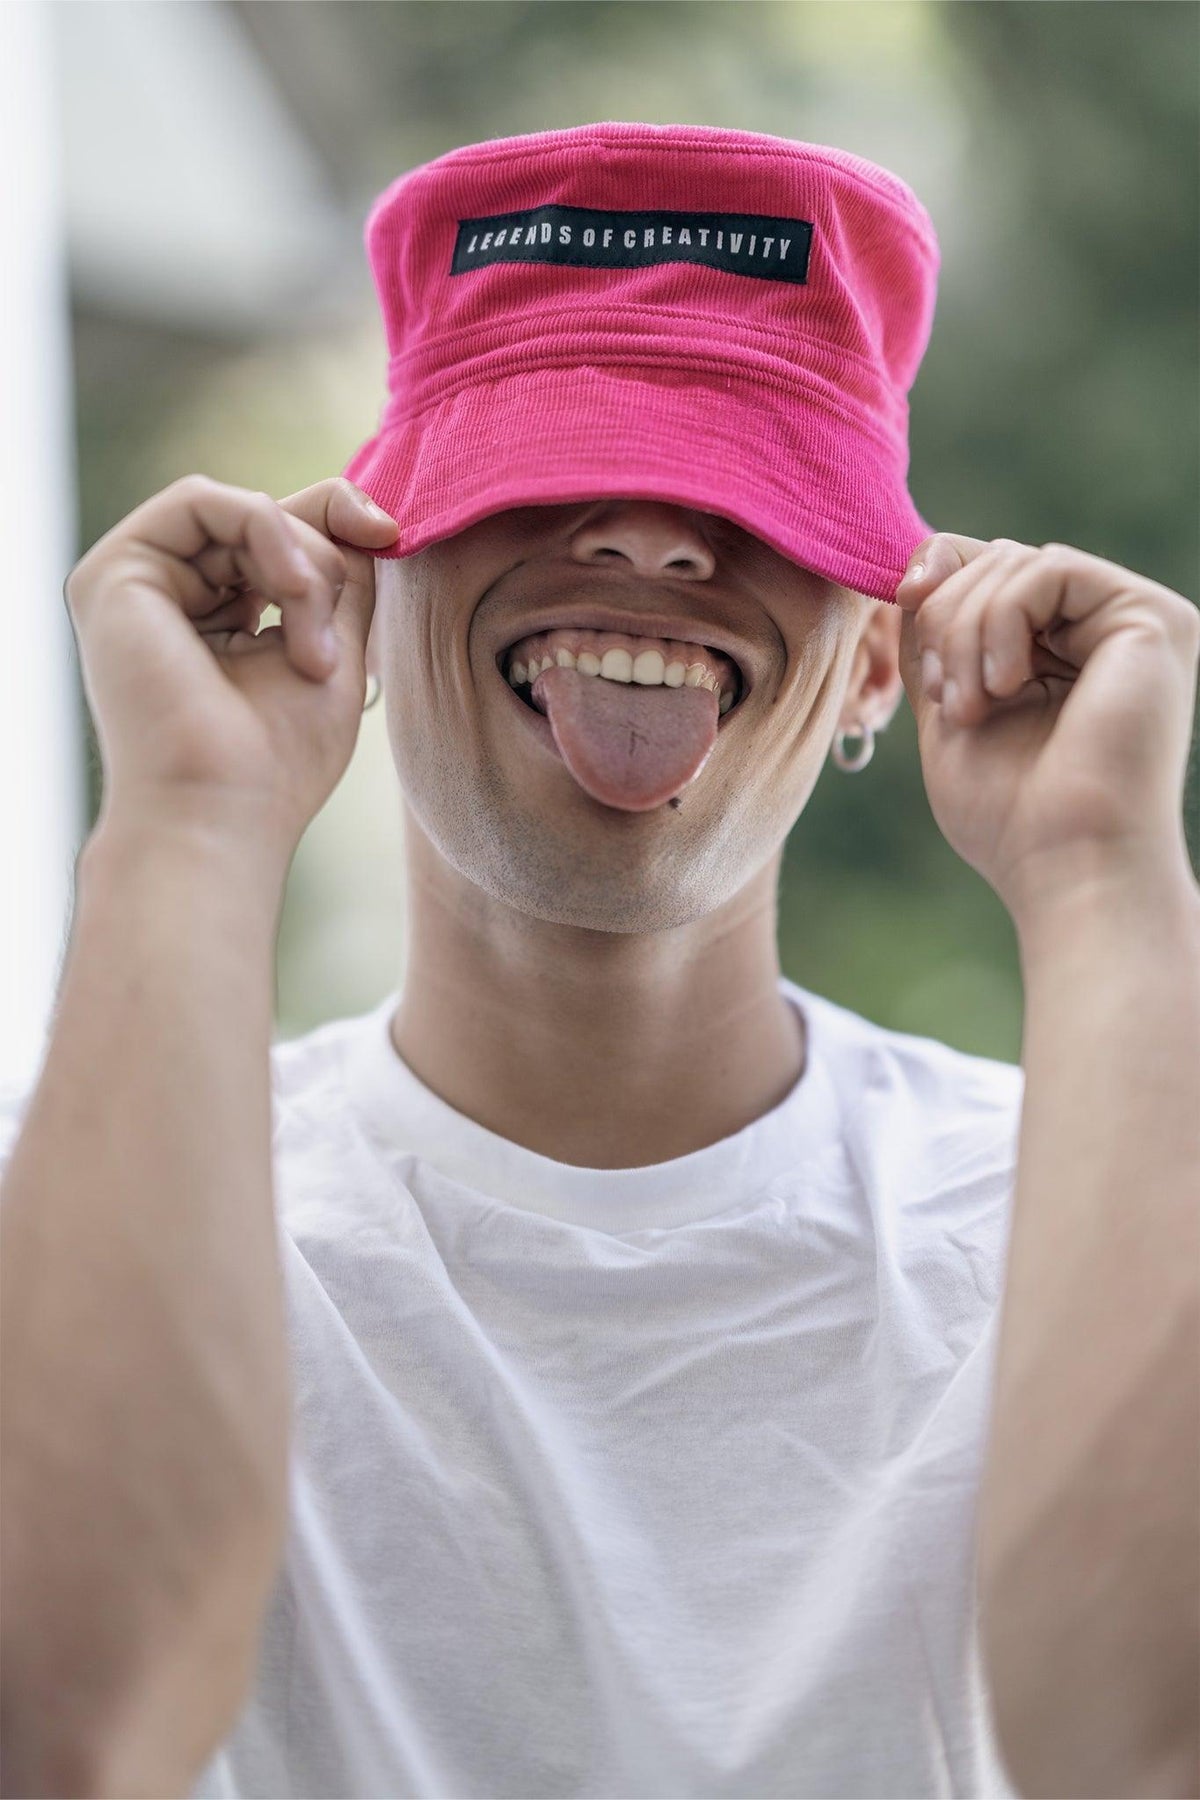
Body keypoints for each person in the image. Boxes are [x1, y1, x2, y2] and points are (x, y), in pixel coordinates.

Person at [3, 123, 1197, 1800]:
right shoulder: (93, 1223)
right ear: (358, 587)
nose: (649, 545)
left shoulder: (1082, 1215)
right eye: (542, 471)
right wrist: (191, 818)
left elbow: (1140, 1757)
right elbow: (72, 1739)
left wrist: (1102, 881)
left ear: (876, 662)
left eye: (750, 496)